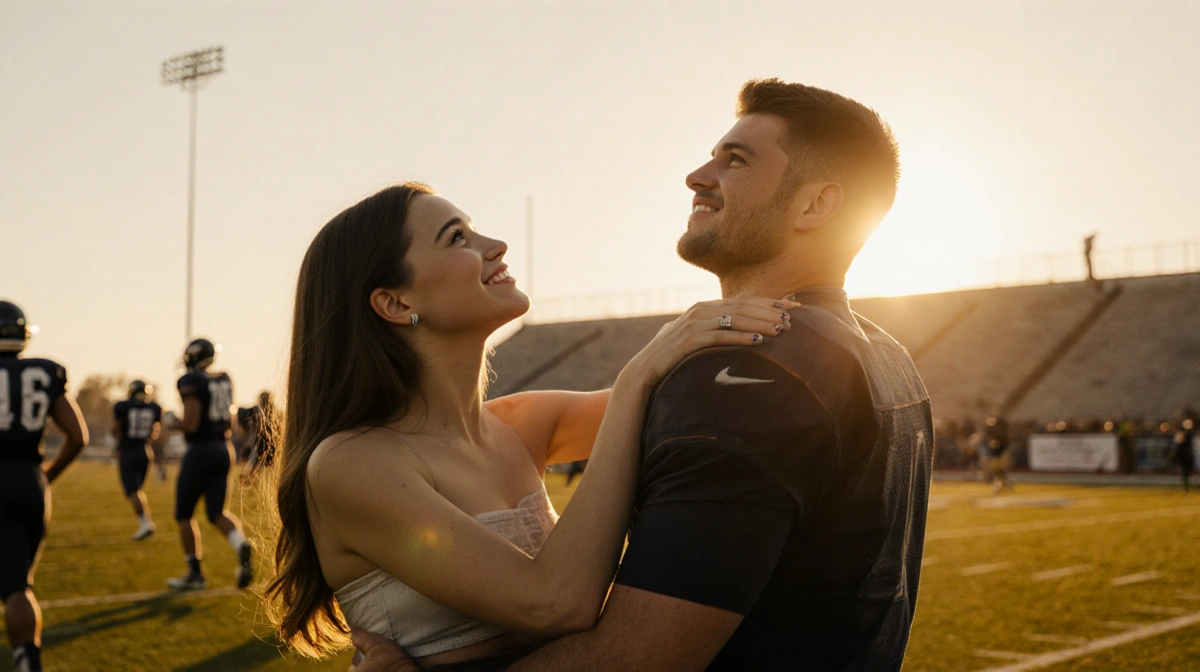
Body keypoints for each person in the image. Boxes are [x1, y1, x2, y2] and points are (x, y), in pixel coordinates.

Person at [352, 78, 932, 671]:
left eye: (735, 160)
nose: (698, 175)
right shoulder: (888, 356)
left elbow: (632, 660)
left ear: (816, 205)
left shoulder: (745, 373)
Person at [261, 182, 786, 668]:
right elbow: (557, 603)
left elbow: (697, 398)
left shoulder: (524, 422)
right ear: (396, 303)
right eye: (457, 238)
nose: (497, 244)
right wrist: (635, 379)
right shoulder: (351, 462)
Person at [0, 301, 89, 672]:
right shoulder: (44, 372)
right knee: (19, 579)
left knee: (14, 586)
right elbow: (78, 435)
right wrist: (46, 475)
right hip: (30, 483)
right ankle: (28, 658)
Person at [165, 338, 253, 591]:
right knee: (216, 513)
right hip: (224, 449)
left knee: (184, 514)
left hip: (200, 450)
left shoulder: (191, 381)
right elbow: (233, 420)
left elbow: (191, 423)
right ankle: (239, 544)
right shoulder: (224, 378)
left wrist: (173, 422)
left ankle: (195, 574)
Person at [111, 380, 163, 540]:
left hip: (129, 451)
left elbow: (116, 429)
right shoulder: (153, 408)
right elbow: (155, 431)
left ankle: (145, 523)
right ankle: (144, 522)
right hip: (145, 451)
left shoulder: (123, 407)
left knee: (133, 491)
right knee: (137, 490)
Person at [1174, 418, 1195, 493]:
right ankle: (1186, 487)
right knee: (1185, 472)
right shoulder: (1188, 434)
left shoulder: (1187, 434)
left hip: (1186, 455)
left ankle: (1187, 487)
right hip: (1185, 455)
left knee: (1185, 472)